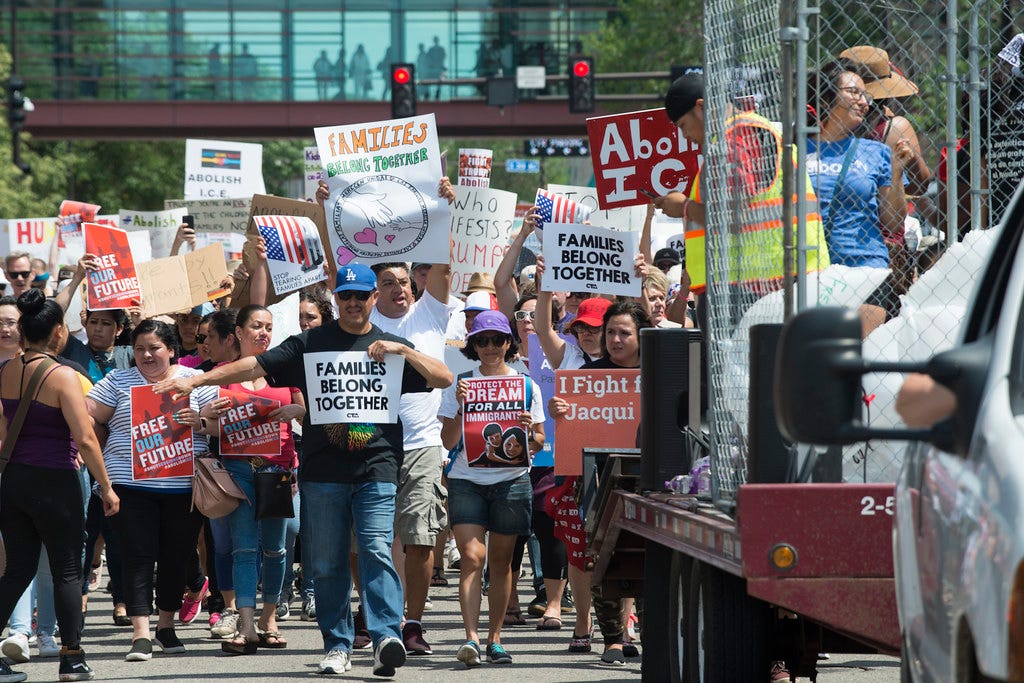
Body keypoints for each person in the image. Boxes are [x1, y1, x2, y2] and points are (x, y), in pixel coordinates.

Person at [152, 263, 452, 677]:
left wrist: (405, 351)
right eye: (345, 296)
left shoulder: (390, 345)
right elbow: (252, 367)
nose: (352, 303)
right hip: (323, 470)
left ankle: (386, 635)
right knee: (327, 561)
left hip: (377, 467)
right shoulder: (309, 342)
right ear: (337, 299)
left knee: (377, 550)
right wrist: (198, 383)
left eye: (360, 296)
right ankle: (338, 645)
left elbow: (443, 377)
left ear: (373, 299)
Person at [0, 289, 120, 683]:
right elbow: (85, 439)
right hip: (56, 480)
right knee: (68, 571)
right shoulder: (64, 375)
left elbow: (3, 432)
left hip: (15, 480)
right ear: (56, 332)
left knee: (17, 570)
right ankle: (71, 657)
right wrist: (106, 487)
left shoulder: (6, 371)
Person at [86, 320, 219, 663]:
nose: (147, 355)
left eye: (155, 348)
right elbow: (89, 416)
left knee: (176, 556)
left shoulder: (196, 382)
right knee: (138, 557)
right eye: (140, 348)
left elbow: (220, 425)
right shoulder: (117, 381)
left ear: (172, 350)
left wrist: (200, 422)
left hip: (183, 488)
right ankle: (141, 633)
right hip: (129, 487)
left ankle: (165, 626)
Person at [438, 310, 545, 667]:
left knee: (501, 563)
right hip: (467, 479)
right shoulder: (462, 382)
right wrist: (460, 407)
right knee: (472, 556)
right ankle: (470, 638)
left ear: (508, 343)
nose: (489, 347)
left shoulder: (526, 384)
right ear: (472, 345)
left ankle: (494, 639)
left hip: (511, 482)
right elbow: (448, 439)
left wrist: (531, 432)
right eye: (481, 341)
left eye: (496, 340)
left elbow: (540, 442)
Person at [548, 301, 651, 666]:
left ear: (642, 336)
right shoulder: (590, 375)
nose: (615, 339)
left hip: (652, 480)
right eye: (610, 333)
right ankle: (611, 638)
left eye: (624, 333)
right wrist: (558, 412)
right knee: (604, 559)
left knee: (650, 559)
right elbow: (574, 429)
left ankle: (649, 633)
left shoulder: (660, 371)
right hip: (603, 481)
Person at [207, 305, 305, 655]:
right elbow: (209, 428)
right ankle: (247, 626)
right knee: (244, 549)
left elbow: (312, 417)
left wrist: (299, 411)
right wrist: (206, 418)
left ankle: (269, 618)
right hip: (237, 471)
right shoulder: (221, 374)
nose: (263, 333)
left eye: (268, 327)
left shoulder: (286, 372)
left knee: (277, 549)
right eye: (256, 327)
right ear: (238, 332)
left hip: (277, 471)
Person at [368, 259, 453, 656]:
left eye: (404, 281)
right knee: (368, 542)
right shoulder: (360, 317)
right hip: (370, 444)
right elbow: (338, 263)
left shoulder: (430, 313)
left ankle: (414, 622)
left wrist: (443, 207)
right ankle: (375, 616)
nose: (399, 288)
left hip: (422, 444)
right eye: (388, 283)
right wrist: (325, 210)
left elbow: (440, 260)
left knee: (419, 539)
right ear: (375, 291)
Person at [807, 60, 911, 333]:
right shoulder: (795, 148)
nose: (864, 102)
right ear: (826, 95)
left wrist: (897, 172)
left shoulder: (875, 152)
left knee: (861, 357)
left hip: (866, 267)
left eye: (866, 95)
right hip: (811, 271)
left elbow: (892, 223)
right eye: (854, 92)